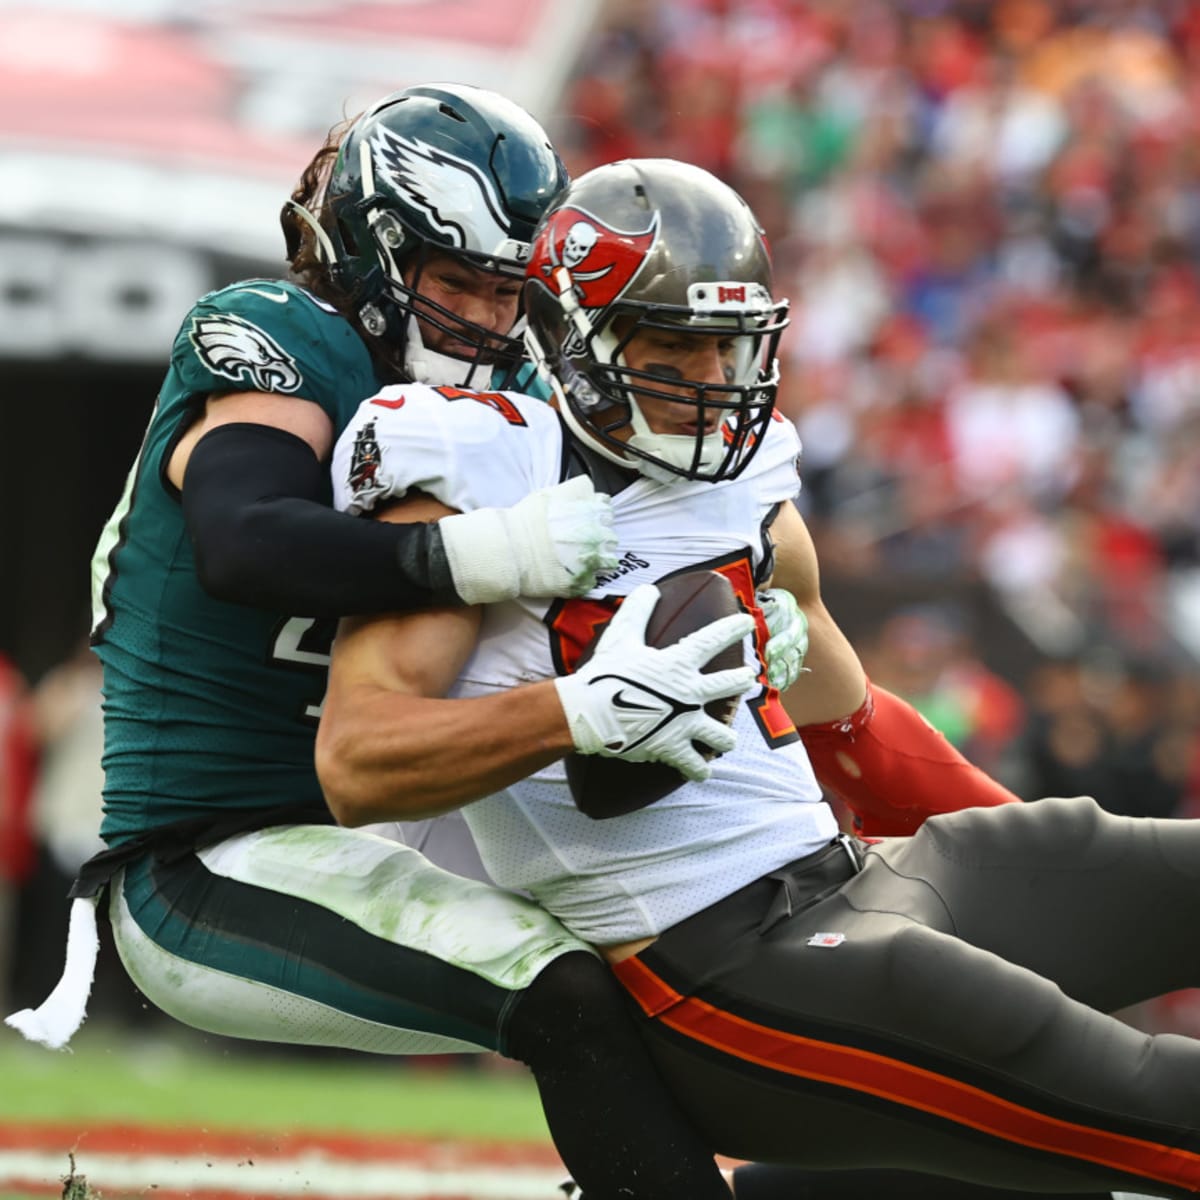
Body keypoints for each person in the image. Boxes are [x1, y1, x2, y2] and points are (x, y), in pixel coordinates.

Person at [316, 157, 1200, 1200]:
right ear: (573, 342)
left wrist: (1056, 883)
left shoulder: (751, 481)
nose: (710, 383)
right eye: (673, 348)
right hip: (718, 974)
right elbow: (357, 761)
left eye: (726, 348)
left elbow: (852, 722)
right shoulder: (479, 470)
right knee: (1154, 1100)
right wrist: (576, 712)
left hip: (858, 883)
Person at [4, 89, 787, 1200]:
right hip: (213, 857)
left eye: (510, 291)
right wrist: (479, 557)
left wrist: (753, 602)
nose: (484, 318)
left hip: (417, 820)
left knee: (702, 974)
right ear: (372, 262)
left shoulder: (519, 391)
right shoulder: (281, 337)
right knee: (562, 993)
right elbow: (245, 538)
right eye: (453, 281)